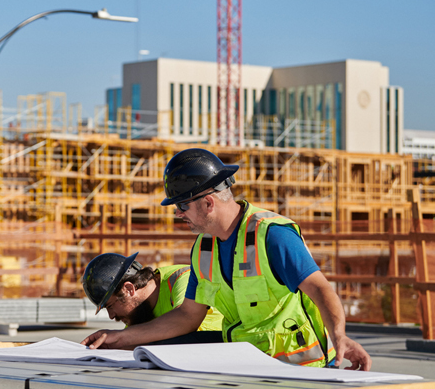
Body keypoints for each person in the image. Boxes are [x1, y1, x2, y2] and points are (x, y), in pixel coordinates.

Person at [83, 148, 372, 371]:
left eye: (182, 205)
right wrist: (117, 339)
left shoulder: (272, 235)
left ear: (208, 202)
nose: (178, 214)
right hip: (246, 363)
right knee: (158, 354)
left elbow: (320, 288)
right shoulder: (203, 249)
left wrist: (340, 336)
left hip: (302, 368)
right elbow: (187, 317)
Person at [81, 252, 223, 347]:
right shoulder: (139, 316)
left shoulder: (183, 278)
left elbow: (186, 319)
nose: (111, 316)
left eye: (110, 306)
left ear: (129, 289)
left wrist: (121, 338)